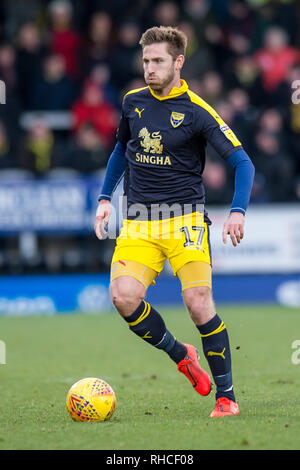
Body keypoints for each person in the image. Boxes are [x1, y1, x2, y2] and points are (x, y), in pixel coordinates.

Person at [94, 26, 255, 418]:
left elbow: (242, 162)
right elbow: (120, 148)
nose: (149, 68)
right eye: (146, 61)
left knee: (198, 303)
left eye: (158, 61)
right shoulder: (133, 102)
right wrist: (104, 199)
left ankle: (226, 396)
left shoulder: (199, 111)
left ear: (178, 62)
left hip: (185, 221)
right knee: (123, 297)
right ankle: (179, 353)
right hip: (139, 221)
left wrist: (237, 210)